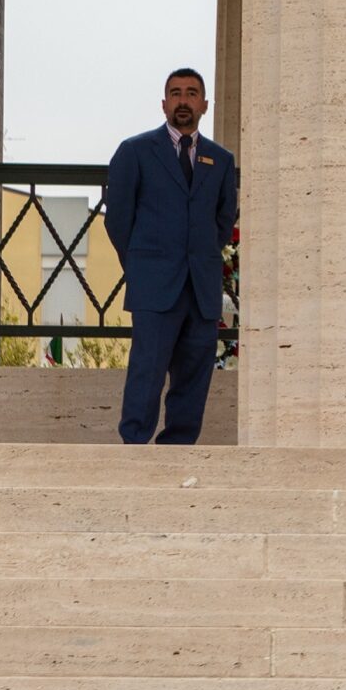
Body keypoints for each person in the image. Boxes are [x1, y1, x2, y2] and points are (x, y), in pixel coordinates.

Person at [106, 67, 239, 445]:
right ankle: (134, 450)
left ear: (205, 105)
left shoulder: (220, 160)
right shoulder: (135, 152)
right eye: (176, 93)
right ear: (164, 104)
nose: (184, 100)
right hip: (154, 288)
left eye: (192, 93)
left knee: (194, 378)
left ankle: (178, 451)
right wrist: (141, 266)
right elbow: (118, 220)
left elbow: (223, 221)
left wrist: (199, 258)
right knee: (146, 373)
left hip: (201, 288)